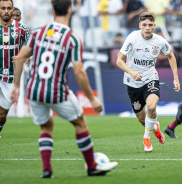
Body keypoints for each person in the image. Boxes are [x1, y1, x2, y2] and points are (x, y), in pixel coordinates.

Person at [10, 0, 117, 178]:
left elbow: (20, 58)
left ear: (52, 10)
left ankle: (47, 170)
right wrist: (92, 99)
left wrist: (16, 86)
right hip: (57, 91)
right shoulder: (72, 38)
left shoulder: (38, 32)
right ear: (70, 10)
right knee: (80, 123)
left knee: (46, 127)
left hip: (34, 90)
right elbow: (79, 72)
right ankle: (91, 166)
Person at [116, 12, 180, 153]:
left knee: (151, 107)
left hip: (150, 79)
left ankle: (146, 138)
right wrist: (132, 73)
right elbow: (119, 60)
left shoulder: (160, 41)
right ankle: (155, 128)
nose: (147, 28)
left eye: (150, 25)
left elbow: (171, 56)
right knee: (141, 119)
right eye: (144, 25)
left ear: (154, 26)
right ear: (140, 26)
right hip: (132, 82)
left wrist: (176, 78)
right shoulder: (132, 38)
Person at [0, 0, 30, 137]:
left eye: (9, 8)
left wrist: (24, 56)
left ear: (13, 10)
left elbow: (32, 47)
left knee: (2, 114)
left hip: (10, 77)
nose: (6, 11)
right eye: (3, 8)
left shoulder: (21, 29)